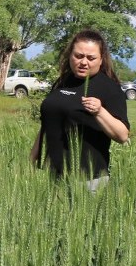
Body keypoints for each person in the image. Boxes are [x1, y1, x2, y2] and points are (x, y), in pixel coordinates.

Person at [30, 28, 130, 191]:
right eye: (78, 56)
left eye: (91, 58)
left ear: (101, 60)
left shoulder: (109, 89)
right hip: (53, 176)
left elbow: (122, 135)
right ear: (70, 55)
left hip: (88, 181)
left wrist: (99, 111)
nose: (84, 62)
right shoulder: (64, 81)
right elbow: (47, 124)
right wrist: (33, 158)